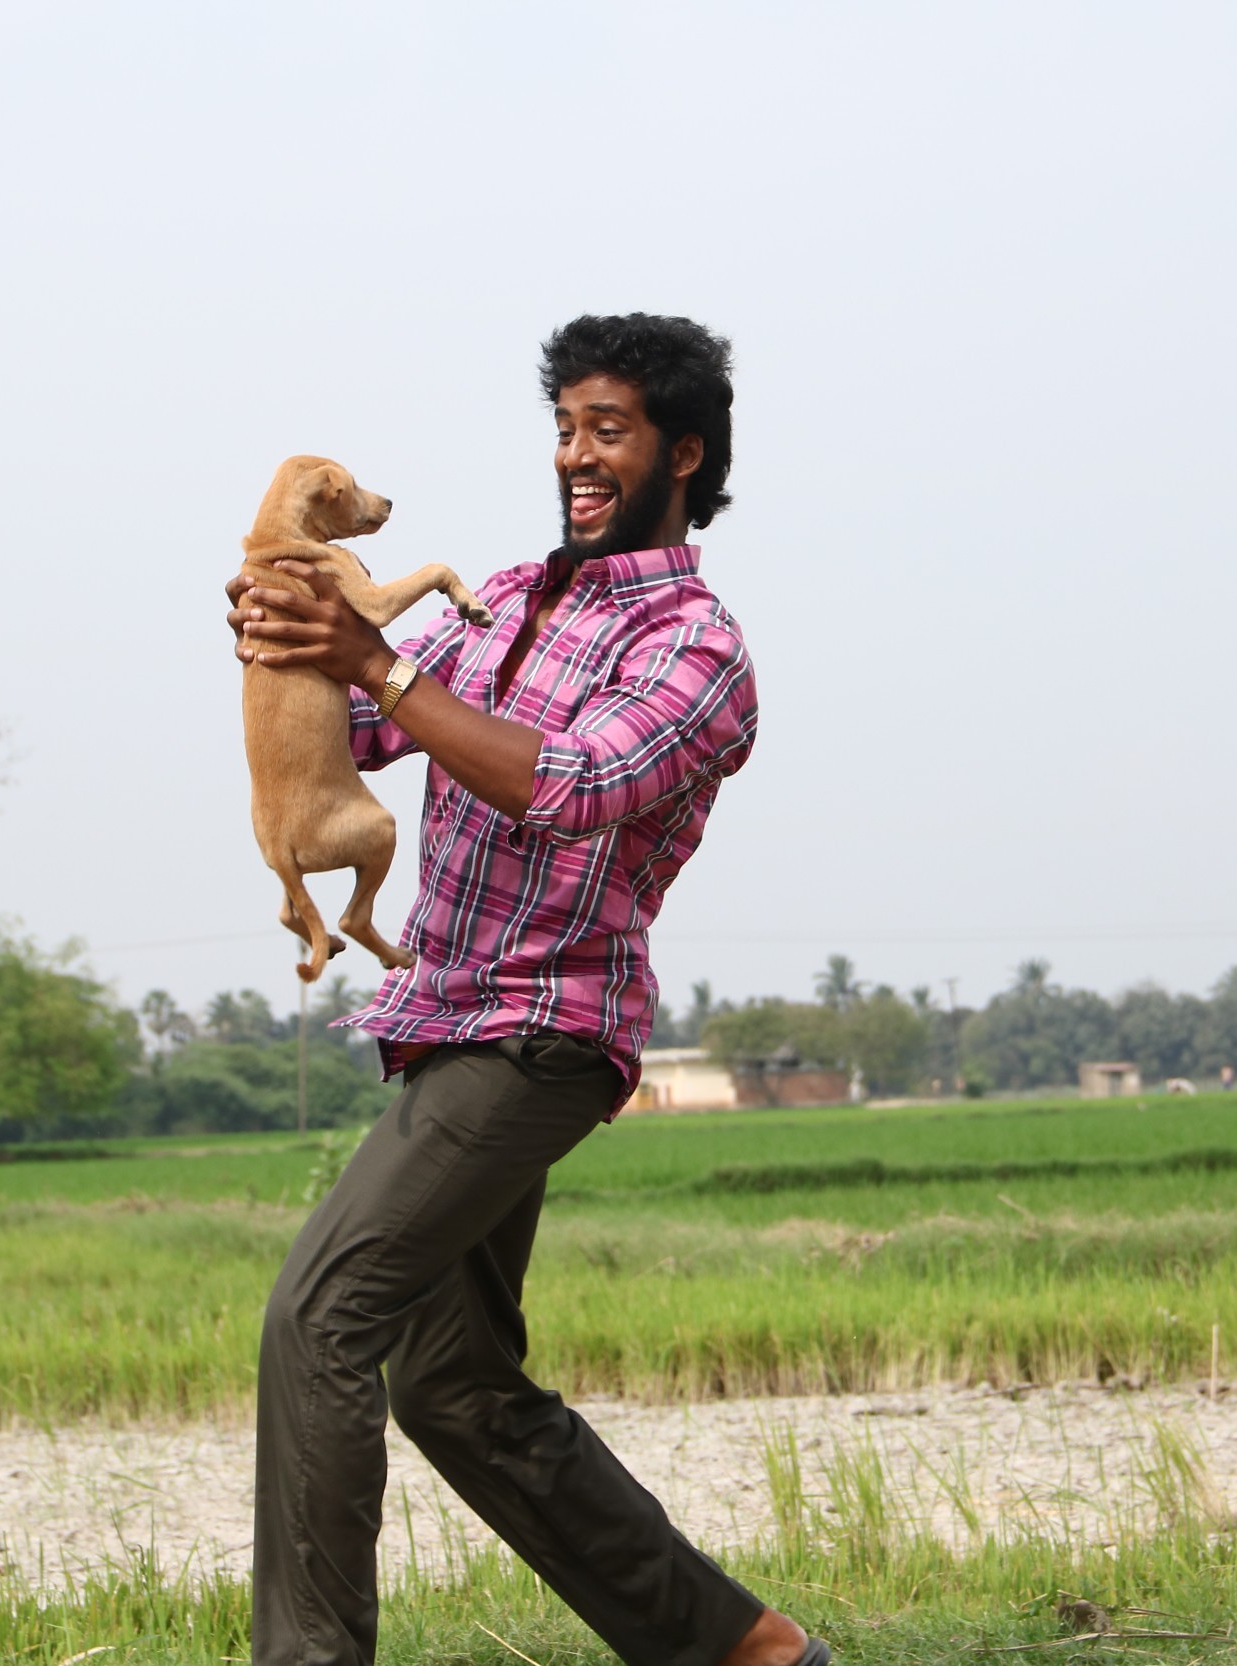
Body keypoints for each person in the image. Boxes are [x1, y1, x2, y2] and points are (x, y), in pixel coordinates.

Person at [226, 314, 825, 1666]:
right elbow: (365, 725)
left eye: (607, 429)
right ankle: (745, 1649)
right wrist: (285, 635)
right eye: (564, 430)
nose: (576, 456)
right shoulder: (506, 593)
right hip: (446, 1023)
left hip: (540, 1031)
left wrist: (376, 659)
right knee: (454, 1386)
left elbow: (573, 784)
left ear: (684, 453)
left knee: (321, 1316)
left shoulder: (696, 647)